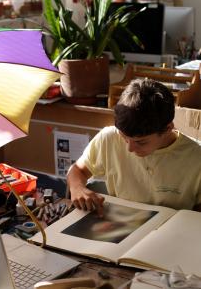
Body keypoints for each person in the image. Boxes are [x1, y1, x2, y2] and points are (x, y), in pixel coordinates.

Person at [67, 78, 201, 216]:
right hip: (122, 227)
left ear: (167, 129)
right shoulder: (109, 138)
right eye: (124, 137)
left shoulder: (196, 158)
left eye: (141, 142)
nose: (129, 149)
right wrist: (77, 187)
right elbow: (77, 170)